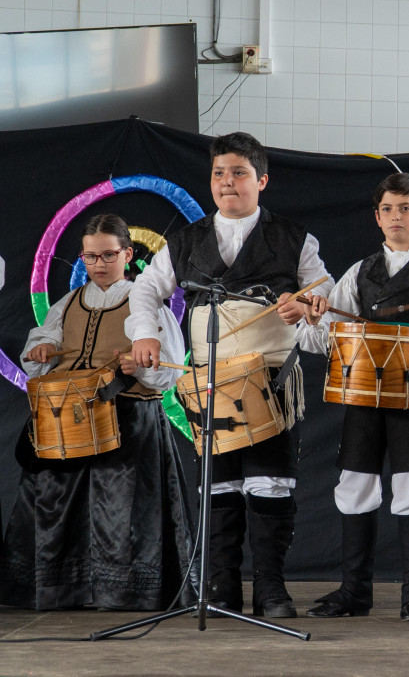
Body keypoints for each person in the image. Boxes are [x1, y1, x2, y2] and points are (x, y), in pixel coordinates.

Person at [127, 132, 333, 619]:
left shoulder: (296, 240)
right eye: (219, 173)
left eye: (239, 173)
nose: (227, 182)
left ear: (261, 180)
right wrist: (145, 334)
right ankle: (220, 587)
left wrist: (306, 309)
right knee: (218, 487)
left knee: (270, 483)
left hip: (271, 381)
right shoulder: (185, 240)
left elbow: (321, 306)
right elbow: (145, 291)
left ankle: (271, 588)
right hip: (209, 382)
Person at [298, 172, 409, 621]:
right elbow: (326, 341)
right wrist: (313, 318)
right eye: (389, 209)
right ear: (377, 217)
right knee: (355, 485)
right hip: (361, 397)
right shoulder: (358, 273)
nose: (397, 217)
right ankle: (354, 592)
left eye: (407, 209)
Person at [0, 214, 195, 610]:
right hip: (67, 422)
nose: (99, 264)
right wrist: (39, 353)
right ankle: (61, 591)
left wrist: (139, 367)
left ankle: (122, 593)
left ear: (127, 253)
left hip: (129, 422)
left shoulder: (146, 302)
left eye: (108, 254)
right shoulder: (67, 303)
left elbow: (170, 368)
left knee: (122, 515)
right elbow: (42, 346)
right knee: (54, 503)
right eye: (90, 257)